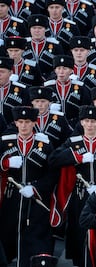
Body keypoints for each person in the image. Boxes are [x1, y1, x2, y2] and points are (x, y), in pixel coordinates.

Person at [49, 105, 96, 267]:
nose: (89, 125)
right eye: (86, 121)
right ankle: (80, 261)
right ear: (81, 122)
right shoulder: (73, 142)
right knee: (79, 229)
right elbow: (53, 159)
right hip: (79, 193)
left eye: (93, 121)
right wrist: (77, 157)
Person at [0, 106, 56, 267]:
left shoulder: (44, 144)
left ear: (34, 123)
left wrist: (36, 188)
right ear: (16, 123)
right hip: (11, 195)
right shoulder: (5, 142)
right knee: (8, 230)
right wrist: (5, 163)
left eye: (27, 122)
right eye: (20, 122)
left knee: (34, 233)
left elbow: (52, 173)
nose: (24, 126)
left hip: (35, 196)